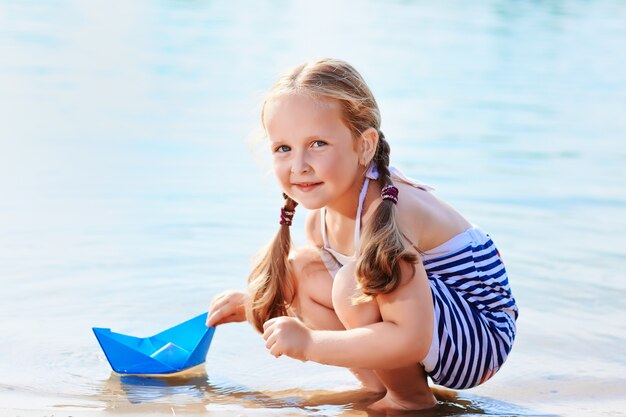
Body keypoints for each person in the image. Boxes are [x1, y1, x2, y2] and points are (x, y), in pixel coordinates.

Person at [206, 58, 518, 413]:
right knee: (299, 271)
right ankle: (376, 387)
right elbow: (317, 295)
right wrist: (253, 304)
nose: (299, 165)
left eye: (318, 143)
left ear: (364, 146)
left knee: (353, 283)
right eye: (283, 148)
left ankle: (409, 399)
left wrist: (311, 344)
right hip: (435, 322)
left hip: (479, 335)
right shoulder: (319, 221)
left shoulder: (388, 213)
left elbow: (411, 337)